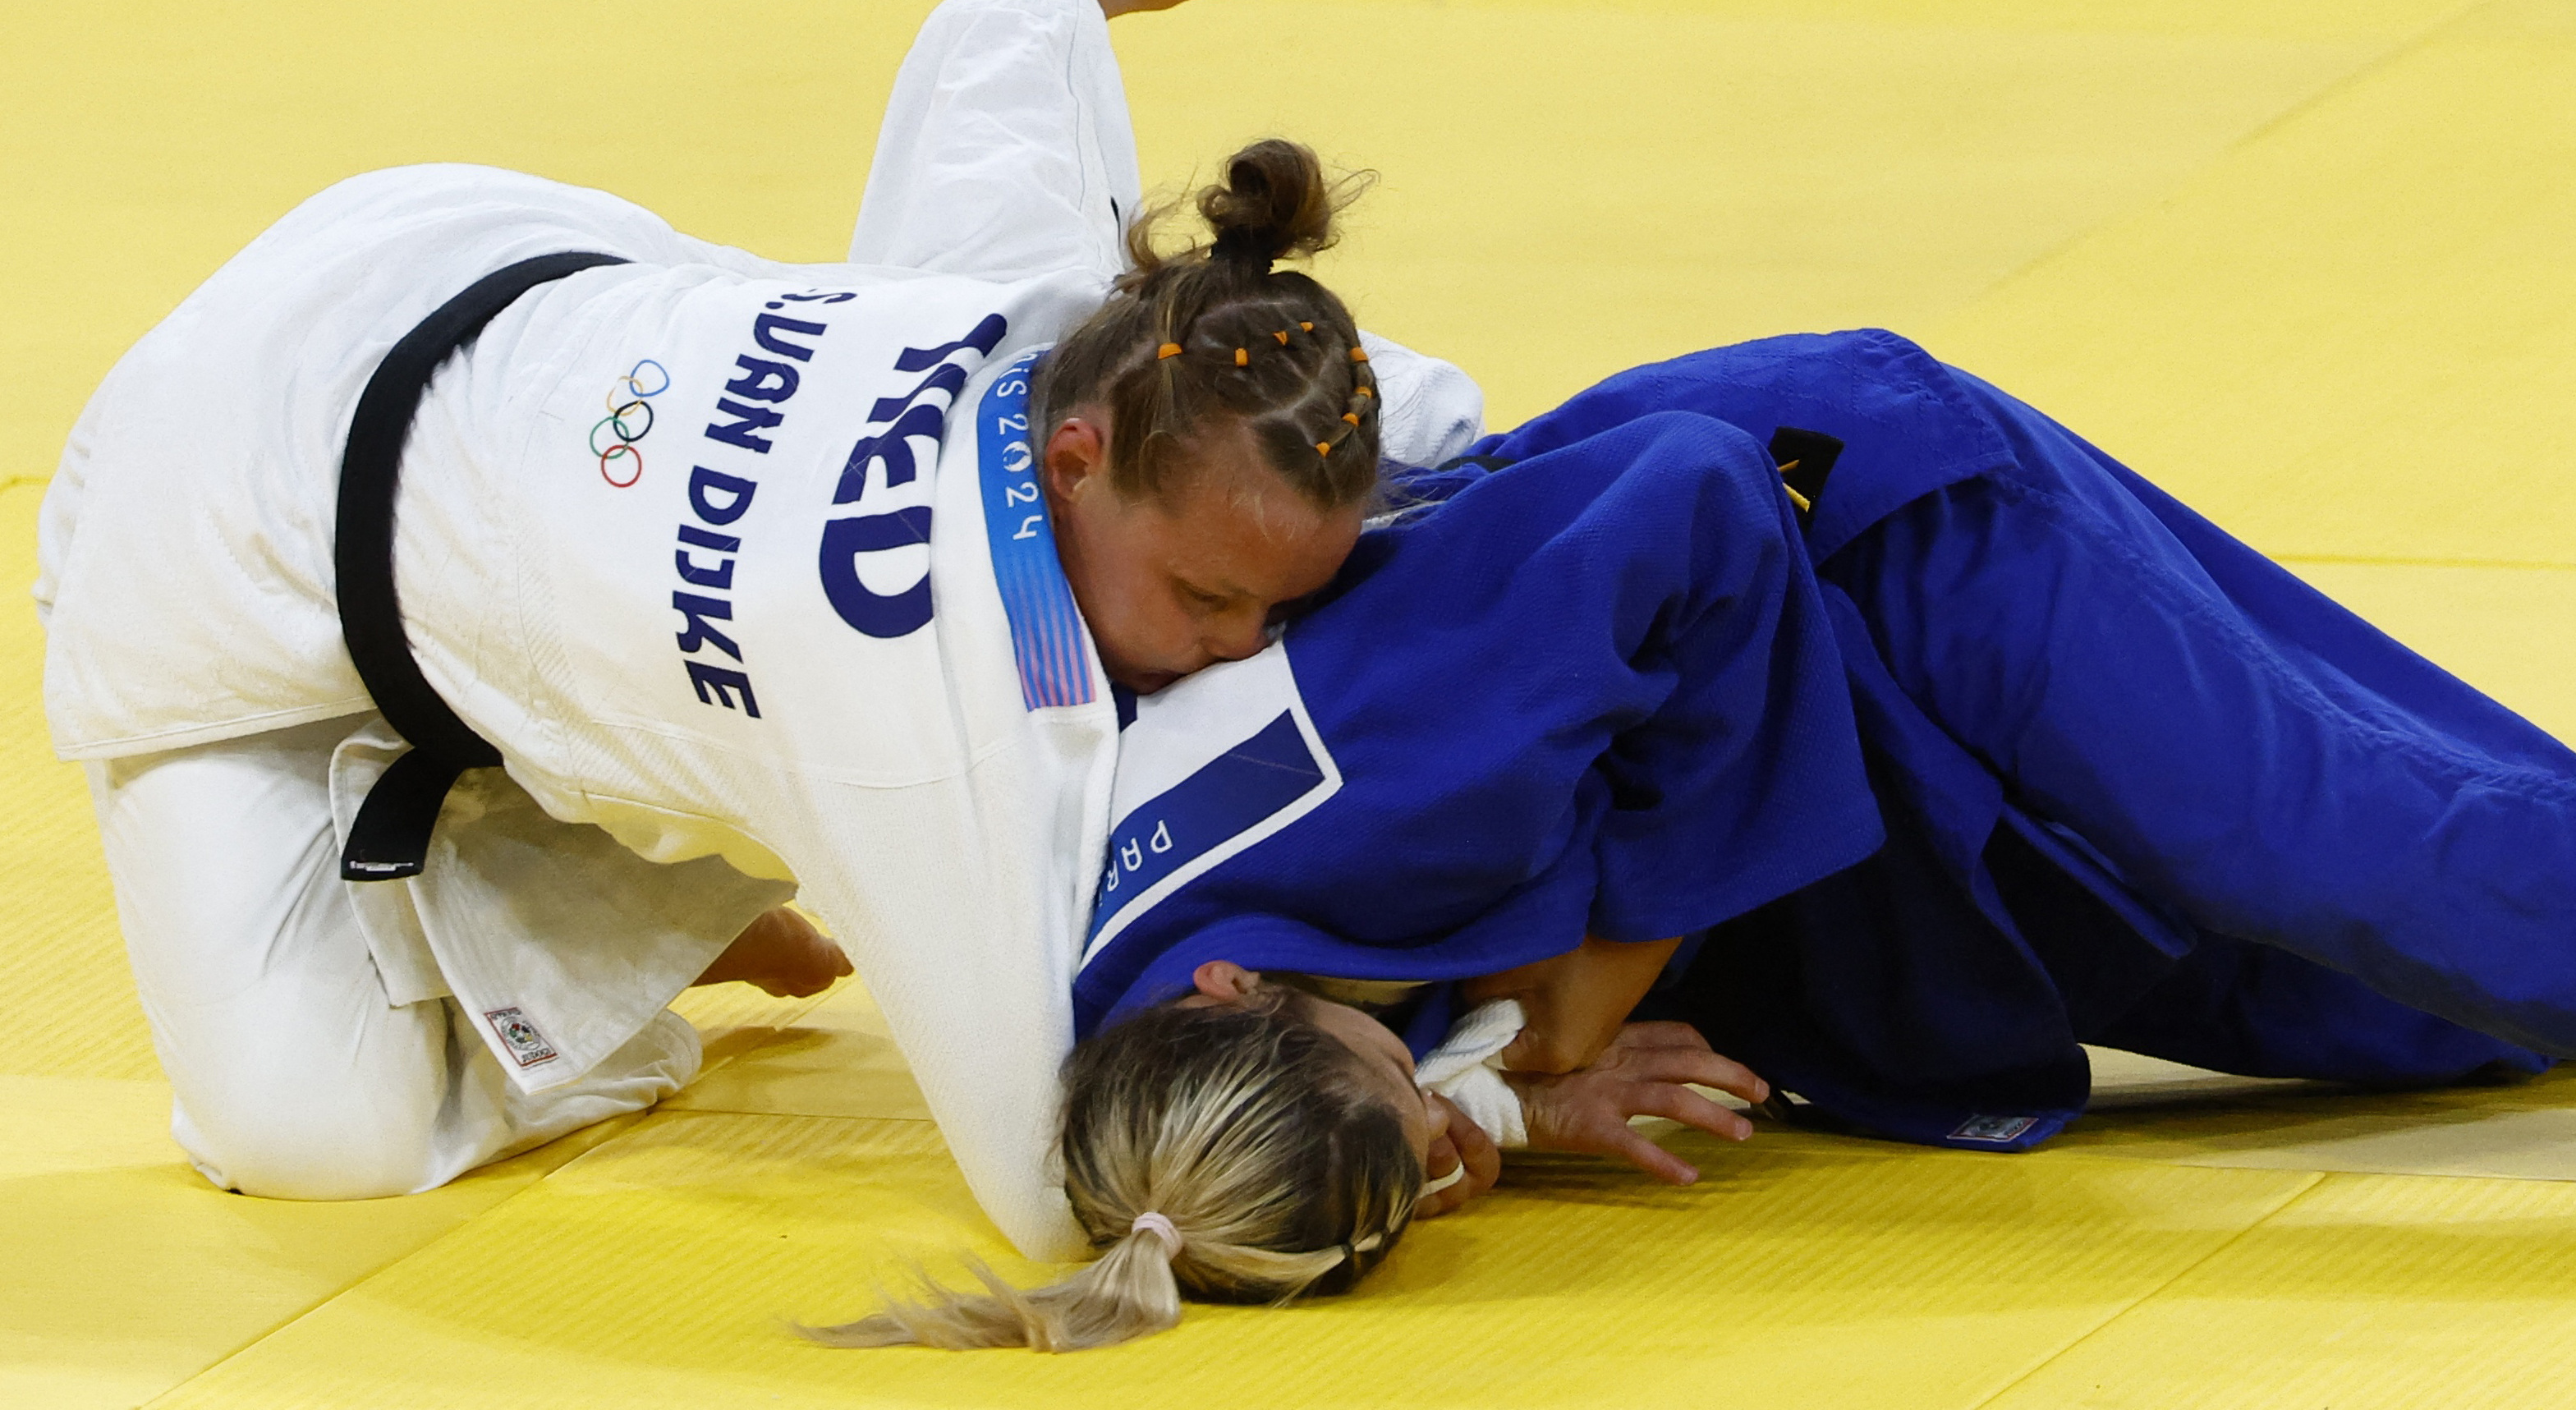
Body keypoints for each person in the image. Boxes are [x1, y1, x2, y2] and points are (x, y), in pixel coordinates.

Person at [38, 0, 1481, 1257]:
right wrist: (1460, 1092)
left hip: (454, 248)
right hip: (225, 502)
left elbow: (1411, 416)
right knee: (309, 1137)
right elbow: (1057, 1180)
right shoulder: (930, 730)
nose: (1236, 643)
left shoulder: (1063, 334)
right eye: (1208, 596)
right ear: (1075, 463)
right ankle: (613, 960)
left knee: (935, 287)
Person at [831, 325, 2576, 1350]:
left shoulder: (1378, 786)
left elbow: (1690, 492)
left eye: (1410, 1113)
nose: (1459, 1160)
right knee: (2408, 1015)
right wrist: (1494, 1084)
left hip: (1861, 523)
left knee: (2354, 861)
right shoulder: (1151, 1059)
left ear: (1236, 986)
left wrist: (1575, 1003)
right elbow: (1362, 1066)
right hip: (1830, 765)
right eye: (1434, 1188)